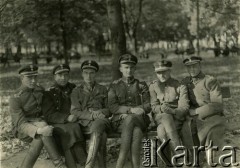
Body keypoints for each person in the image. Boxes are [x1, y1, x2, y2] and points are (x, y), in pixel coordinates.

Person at [9, 64, 66, 168]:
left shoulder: (40, 90)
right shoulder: (15, 97)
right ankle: (60, 165)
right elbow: (20, 124)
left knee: (42, 135)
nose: (33, 80)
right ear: (22, 78)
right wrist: (39, 130)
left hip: (41, 123)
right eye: (29, 78)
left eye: (35, 77)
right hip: (22, 129)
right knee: (42, 134)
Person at [108, 53, 151, 168]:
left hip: (139, 120)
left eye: (132, 67)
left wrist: (139, 110)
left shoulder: (141, 85)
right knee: (136, 132)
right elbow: (112, 106)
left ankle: (119, 164)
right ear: (120, 69)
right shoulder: (114, 86)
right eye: (126, 67)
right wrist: (130, 110)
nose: (129, 70)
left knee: (131, 118)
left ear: (135, 68)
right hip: (120, 122)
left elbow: (148, 105)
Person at [182, 56, 225, 164]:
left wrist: (196, 112)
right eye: (189, 67)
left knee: (211, 130)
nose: (192, 69)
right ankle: (196, 159)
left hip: (211, 115)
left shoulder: (210, 81)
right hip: (192, 117)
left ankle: (211, 160)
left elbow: (217, 105)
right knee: (186, 128)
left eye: (195, 66)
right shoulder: (185, 82)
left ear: (200, 65)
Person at [42, 64, 86, 168]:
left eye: (66, 75)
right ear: (54, 76)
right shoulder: (49, 92)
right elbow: (49, 115)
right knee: (70, 129)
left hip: (75, 120)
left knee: (73, 128)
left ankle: (77, 163)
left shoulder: (74, 88)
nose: (63, 78)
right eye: (60, 75)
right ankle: (83, 161)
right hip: (58, 123)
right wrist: (66, 117)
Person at [70, 60, 111, 168]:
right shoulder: (76, 91)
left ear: (95, 74)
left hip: (102, 121)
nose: (89, 76)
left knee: (99, 125)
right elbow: (74, 111)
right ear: (82, 74)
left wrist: (100, 112)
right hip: (85, 124)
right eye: (86, 73)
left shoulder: (102, 89)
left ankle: (89, 166)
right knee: (102, 136)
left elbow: (109, 109)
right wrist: (91, 115)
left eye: (92, 73)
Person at [149, 60, 189, 166]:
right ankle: (180, 158)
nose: (161, 75)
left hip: (176, 118)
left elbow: (184, 107)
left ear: (170, 71)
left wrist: (172, 111)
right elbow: (153, 106)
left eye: (164, 72)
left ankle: (169, 165)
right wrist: (161, 108)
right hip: (160, 117)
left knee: (161, 132)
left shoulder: (179, 85)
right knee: (165, 117)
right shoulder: (153, 86)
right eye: (158, 72)